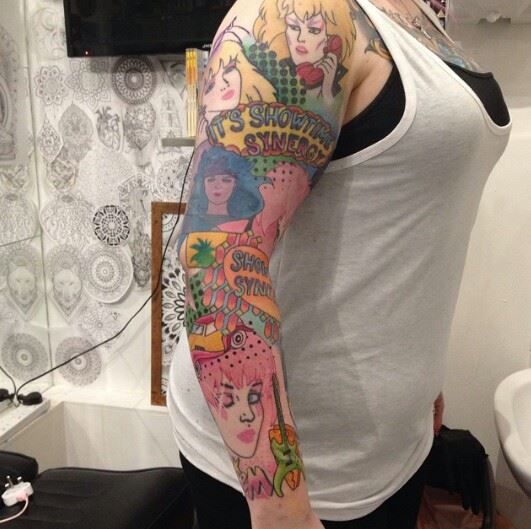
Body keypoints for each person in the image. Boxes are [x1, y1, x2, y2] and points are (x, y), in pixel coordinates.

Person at [167, 0, 511, 528]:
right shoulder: (306, 10)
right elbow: (218, 264)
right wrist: (283, 512)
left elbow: (403, 223)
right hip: (298, 476)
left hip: (390, 449)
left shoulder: (417, 14)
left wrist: (419, 378)